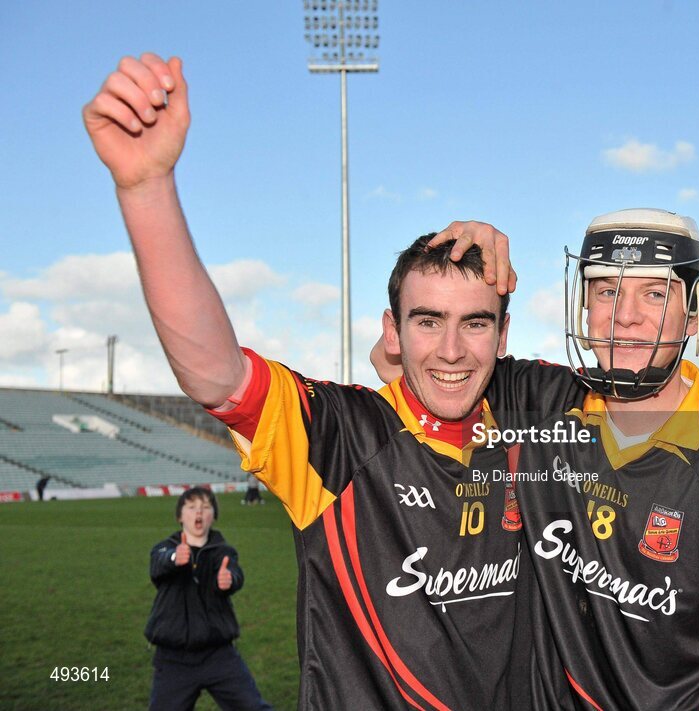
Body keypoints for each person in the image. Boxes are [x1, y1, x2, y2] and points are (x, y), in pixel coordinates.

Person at [84, 53, 549, 709]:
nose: (451, 348)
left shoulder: (540, 437)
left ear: (502, 338)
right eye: (427, 320)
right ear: (392, 331)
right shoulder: (341, 439)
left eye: (475, 322)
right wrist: (145, 188)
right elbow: (217, 374)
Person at [375, 209, 699, 709]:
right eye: (607, 290)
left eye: (655, 293)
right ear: (584, 306)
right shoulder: (539, 402)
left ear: (696, 313)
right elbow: (403, 357)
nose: (625, 315)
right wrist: (458, 254)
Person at [145, 487, 271, 710]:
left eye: (205, 507)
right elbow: (157, 564)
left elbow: (235, 573)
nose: (198, 513)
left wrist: (229, 579)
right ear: (180, 516)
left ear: (214, 515)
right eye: (191, 507)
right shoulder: (165, 547)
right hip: (173, 659)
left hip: (219, 655)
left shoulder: (224, 552)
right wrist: (175, 557)